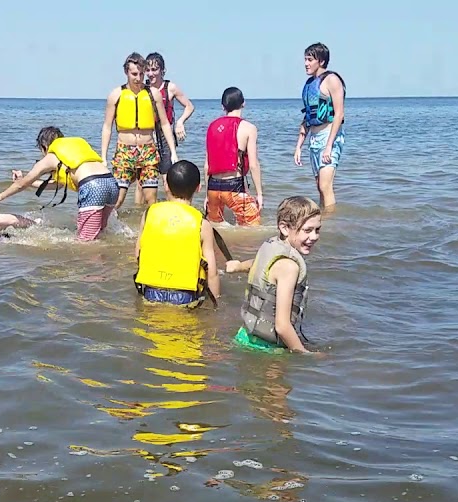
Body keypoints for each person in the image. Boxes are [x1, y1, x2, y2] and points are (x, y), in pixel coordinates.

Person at [0, 127, 119, 242]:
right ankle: (106, 263)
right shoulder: (74, 149)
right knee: (101, 231)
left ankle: (92, 269)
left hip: (93, 187)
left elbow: (22, 185)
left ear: (44, 146)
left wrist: (1, 195)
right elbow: (57, 185)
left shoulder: (51, 157)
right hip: (111, 183)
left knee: (85, 241)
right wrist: (27, 181)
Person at [224, 196, 322, 353]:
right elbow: (282, 326)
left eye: (317, 230)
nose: (314, 236)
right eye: (307, 230)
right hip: (266, 350)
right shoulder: (289, 268)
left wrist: (238, 266)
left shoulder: (273, 246)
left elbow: (259, 264)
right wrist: (306, 354)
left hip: (244, 337)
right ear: (284, 228)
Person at [133, 161, 221, 307]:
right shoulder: (202, 224)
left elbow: (138, 254)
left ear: (166, 185)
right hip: (185, 296)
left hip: (150, 292)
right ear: (198, 188)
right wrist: (216, 303)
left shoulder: (149, 214)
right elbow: (212, 273)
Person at [103, 52, 180, 210]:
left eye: (141, 73)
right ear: (126, 72)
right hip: (125, 149)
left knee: (151, 199)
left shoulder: (153, 94)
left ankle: (147, 229)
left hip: (148, 150)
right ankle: (106, 229)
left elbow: (165, 124)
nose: (138, 78)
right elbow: (107, 127)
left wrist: (173, 152)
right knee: (118, 198)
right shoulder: (116, 95)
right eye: (134, 74)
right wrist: (103, 156)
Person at [293, 43, 346, 209]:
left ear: (321, 61)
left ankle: (331, 224)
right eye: (305, 59)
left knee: (325, 186)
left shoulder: (332, 80)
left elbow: (339, 114)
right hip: (314, 139)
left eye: (310, 60)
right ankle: (324, 220)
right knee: (319, 187)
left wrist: (329, 146)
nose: (306, 63)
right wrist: (299, 146)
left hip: (329, 135)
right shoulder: (310, 84)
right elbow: (308, 116)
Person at [204, 87, 263, 226]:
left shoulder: (212, 126)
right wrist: (259, 194)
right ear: (243, 103)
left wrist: (207, 194)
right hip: (234, 186)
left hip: (213, 187)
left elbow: (207, 165)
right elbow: (253, 165)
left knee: (216, 228)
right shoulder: (249, 128)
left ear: (223, 106)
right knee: (253, 227)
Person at [144, 53, 195, 194]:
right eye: (147, 70)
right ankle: (140, 213)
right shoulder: (143, 89)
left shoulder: (170, 88)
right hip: (148, 136)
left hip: (165, 136)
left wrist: (180, 122)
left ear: (162, 70)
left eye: (154, 69)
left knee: (167, 179)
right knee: (143, 182)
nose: (151, 74)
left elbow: (189, 106)